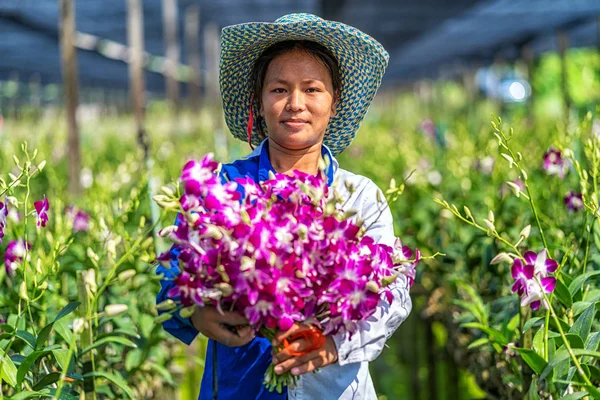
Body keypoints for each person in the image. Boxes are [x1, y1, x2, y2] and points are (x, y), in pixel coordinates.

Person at [156, 13, 412, 400]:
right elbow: (173, 276)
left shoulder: (360, 198)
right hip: (241, 387)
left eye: (312, 89)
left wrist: (332, 344)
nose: (296, 104)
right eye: (278, 90)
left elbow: (394, 292)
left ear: (334, 101)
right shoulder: (221, 188)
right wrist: (198, 313)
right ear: (258, 102)